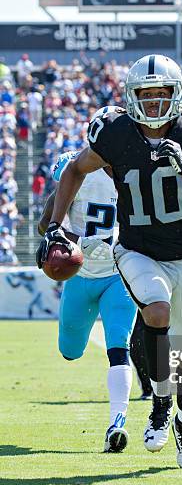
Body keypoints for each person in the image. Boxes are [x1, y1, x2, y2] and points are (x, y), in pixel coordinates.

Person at [36, 54, 182, 469]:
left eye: (163, 94)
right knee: (156, 312)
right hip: (137, 250)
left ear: (176, 95)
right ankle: (161, 401)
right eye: (147, 94)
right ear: (131, 96)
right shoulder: (115, 133)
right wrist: (55, 226)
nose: (156, 103)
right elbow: (73, 170)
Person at [38, 119, 137, 453]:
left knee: (118, 347)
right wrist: (71, 241)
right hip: (80, 277)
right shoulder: (76, 168)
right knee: (70, 351)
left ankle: (117, 423)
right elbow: (43, 225)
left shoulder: (135, 174)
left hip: (118, 275)